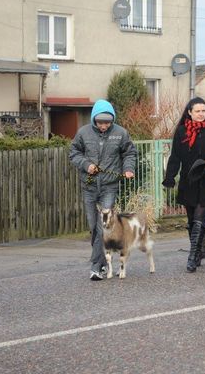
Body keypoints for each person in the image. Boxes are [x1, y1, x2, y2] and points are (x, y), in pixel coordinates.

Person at [69, 99, 137, 280]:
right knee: (94, 227)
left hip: (109, 186)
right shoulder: (83, 133)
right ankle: (106, 262)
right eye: (100, 122)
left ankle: (96, 266)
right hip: (89, 186)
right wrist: (86, 165)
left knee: (103, 226)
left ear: (112, 120)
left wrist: (128, 169)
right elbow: (74, 152)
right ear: (94, 120)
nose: (104, 126)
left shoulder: (121, 133)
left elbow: (129, 152)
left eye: (107, 122)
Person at [163, 97, 205, 272]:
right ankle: (199, 251)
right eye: (197, 111)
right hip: (188, 181)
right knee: (192, 220)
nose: (201, 114)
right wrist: (169, 177)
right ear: (189, 112)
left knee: (199, 218)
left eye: (203, 111)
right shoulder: (181, 131)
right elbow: (175, 157)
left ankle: (192, 256)